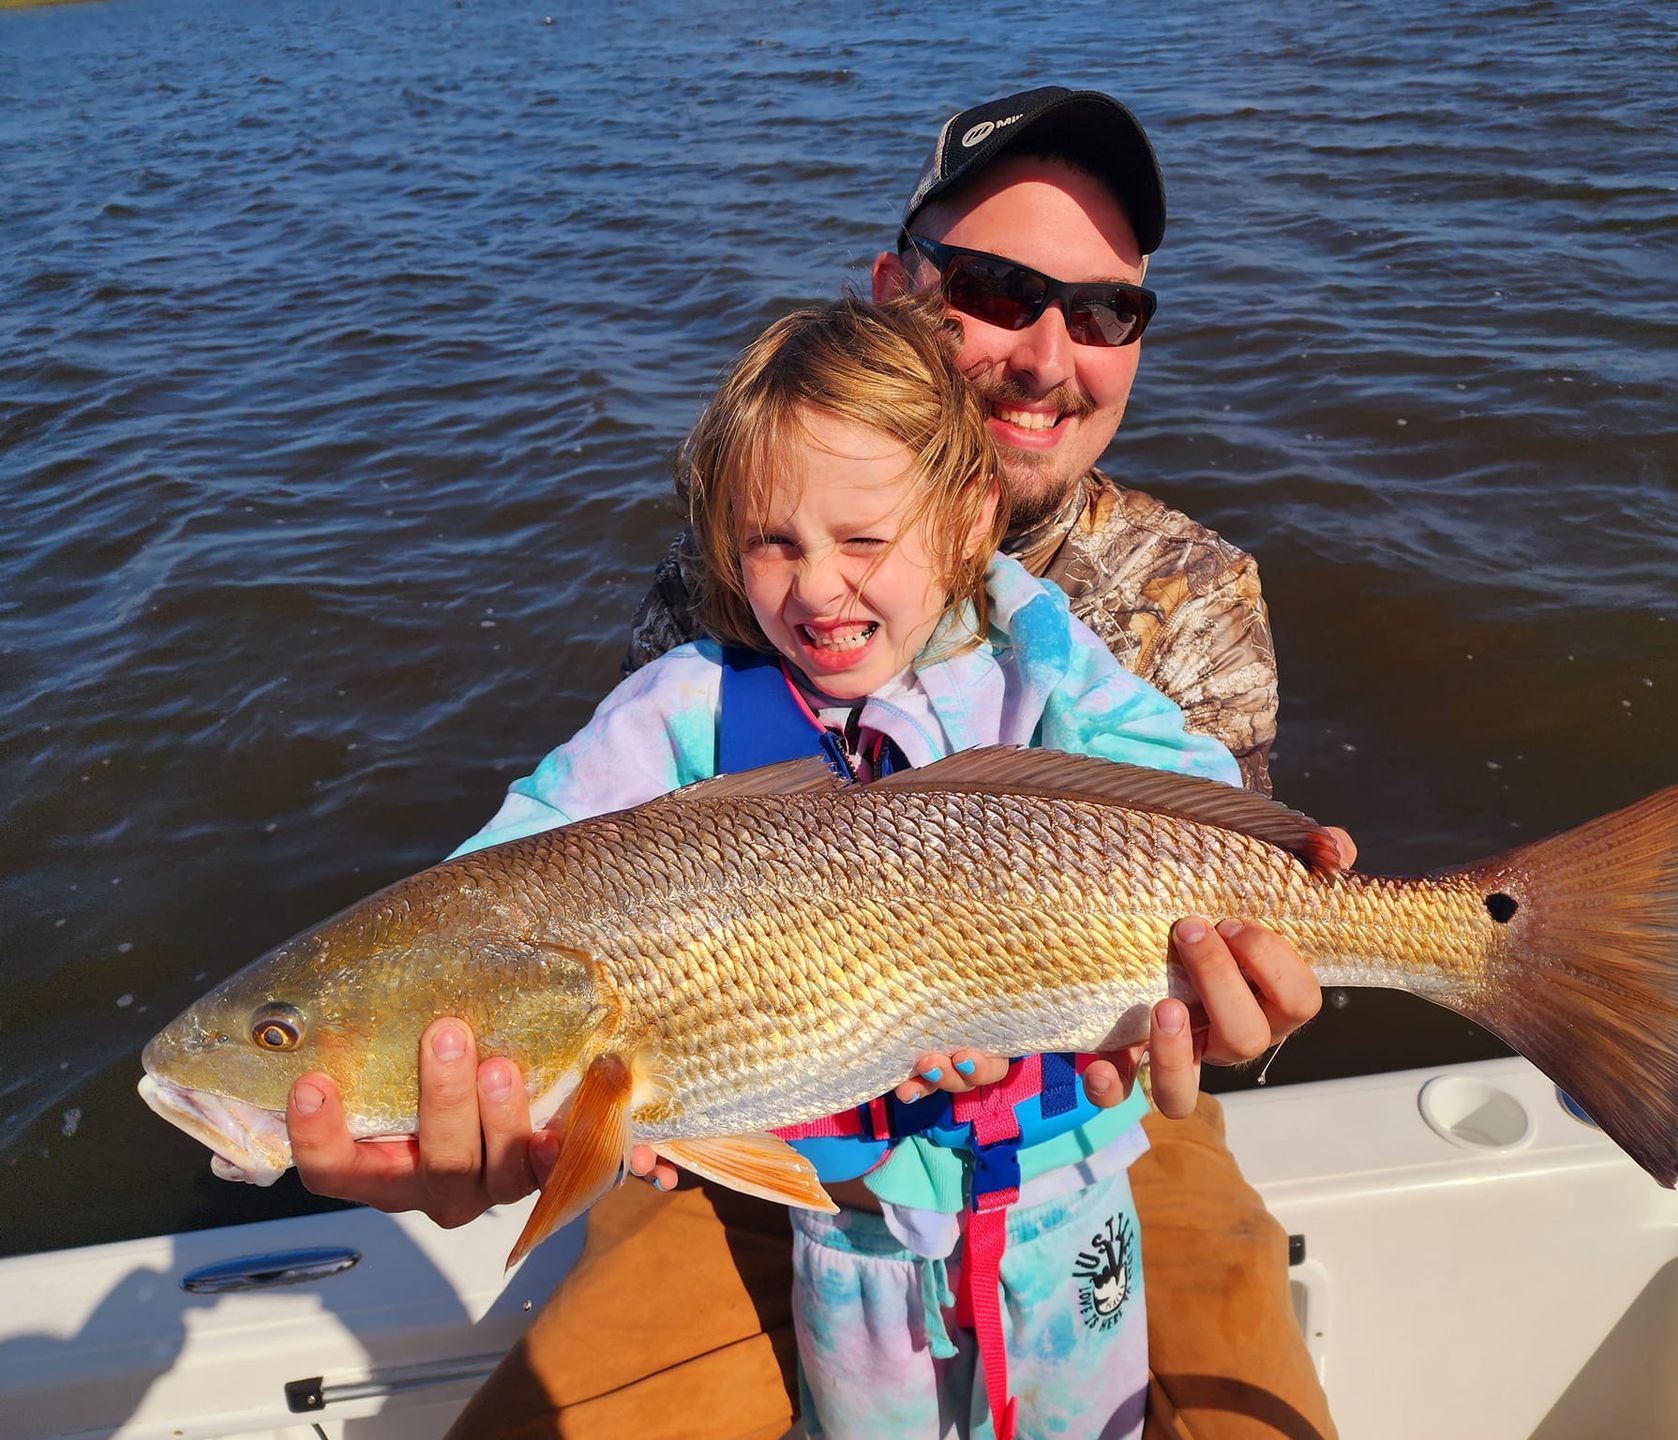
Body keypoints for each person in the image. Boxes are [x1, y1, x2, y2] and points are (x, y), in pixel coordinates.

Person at [290, 87, 1346, 1440]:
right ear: (899, 290)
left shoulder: (1188, 591)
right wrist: (440, 1070)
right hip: (762, 1113)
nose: (1043, 352)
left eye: (1103, 311)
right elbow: (566, 883)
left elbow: (1222, 894)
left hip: (1097, 1124)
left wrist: (1232, 996)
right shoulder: (724, 598)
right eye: (996, 288)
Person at [448, 290, 1243, 1439]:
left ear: (969, 519)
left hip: (1070, 1200)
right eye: (772, 542)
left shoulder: (1050, 671)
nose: (818, 586)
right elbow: (508, 871)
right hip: (849, 1230)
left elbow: (1205, 802)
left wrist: (1282, 900)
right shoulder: (678, 712)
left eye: (865, 541)